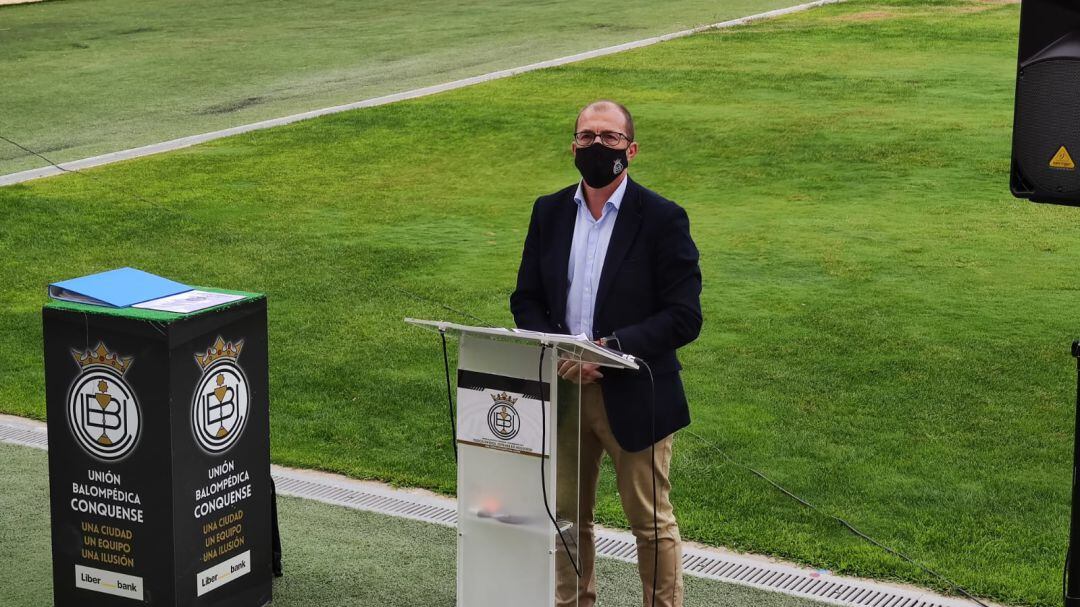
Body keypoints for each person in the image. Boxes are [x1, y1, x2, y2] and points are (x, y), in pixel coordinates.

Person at [510, 100, 702, 607]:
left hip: (636, 391)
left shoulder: (662, 218)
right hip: (566, 388)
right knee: (568, 518)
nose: (598, 146)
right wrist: (558, 350)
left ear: (631, 149)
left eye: (610, 138)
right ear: (573, 146)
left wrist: (610, 350)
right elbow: (525, 298)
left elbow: (684, 316)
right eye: (587, 136)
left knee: (651, 523)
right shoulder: (548, 212)